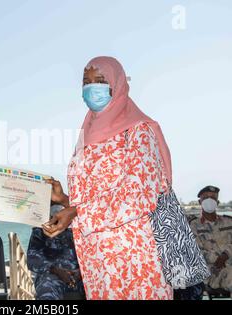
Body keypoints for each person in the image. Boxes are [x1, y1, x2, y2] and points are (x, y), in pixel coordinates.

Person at [43, 56, 173, 300]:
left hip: (135, 256)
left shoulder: (137, 130)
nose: (92, 87)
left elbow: (139, 195)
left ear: (117, 85)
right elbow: (93, 199)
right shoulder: (86, 137)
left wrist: (77, 212)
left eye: (100, 80)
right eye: (86, 81)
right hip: (97, 259)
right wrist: (65, 200)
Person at [27, 205, 85, 300]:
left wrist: (80, 272)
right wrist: (56, 270)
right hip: (51, 276)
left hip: (81, 277)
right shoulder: (39, 231)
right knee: (46, 290)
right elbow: (33, 261)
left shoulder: (80, 230)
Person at [190, 186, 232, 295]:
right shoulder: (193, 225)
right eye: (206, 198)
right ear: (200, 202)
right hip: (212, 272)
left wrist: (226, 255)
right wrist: (217, 259)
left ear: (217, 202)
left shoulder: (228, 222)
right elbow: (195, 252)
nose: (210, 200)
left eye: (213, 198)